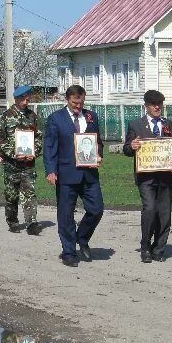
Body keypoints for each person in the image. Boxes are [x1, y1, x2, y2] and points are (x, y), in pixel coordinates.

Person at [44, 85, 104, 267]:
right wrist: (50, 170)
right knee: (66, 215)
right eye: (75, 102)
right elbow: (49, 147)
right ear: (67, 100)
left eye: (81, 102)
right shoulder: (56, 119)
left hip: (89, 173)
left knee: (97, 209)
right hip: (66, 173)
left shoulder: (91, 117)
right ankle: (69, 251)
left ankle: (82, 236)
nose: (78, 106)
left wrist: (99, 153)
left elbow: (98, 142)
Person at [123, 90, 172, 263]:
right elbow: (127, 149)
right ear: (146, 106)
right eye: (153, 104)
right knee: (149, 209)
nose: (157, 107)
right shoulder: (136, 125)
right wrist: (131, 146)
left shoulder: (169, 125)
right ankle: (145, 246)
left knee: (164, 213)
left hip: (165, 176)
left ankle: (159, 248)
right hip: (145, 177)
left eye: (159, 104)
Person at [0, 85, 42, 233]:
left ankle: (31, 223)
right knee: (12, 195)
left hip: (29, 163)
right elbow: (0, 140)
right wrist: (13, 154)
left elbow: (39, 137)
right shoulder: (6, 116)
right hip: (12, 164)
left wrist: (34, 152)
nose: (26, 100)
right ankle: (12, 221)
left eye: (27, 98)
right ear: (16, 99)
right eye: (23, 98)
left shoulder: (32, 116)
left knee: (29, 192)